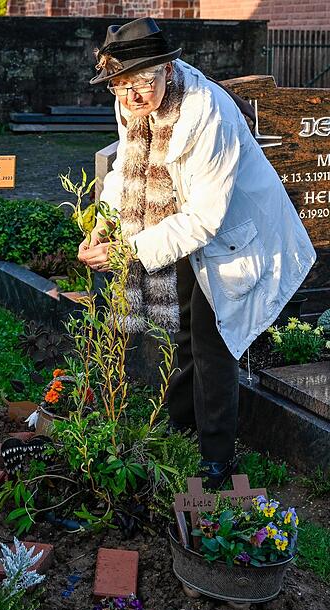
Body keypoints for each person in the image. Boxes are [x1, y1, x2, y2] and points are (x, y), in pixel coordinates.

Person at [78, 17, 316, 488]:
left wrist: (128, 251)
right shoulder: (132, 103)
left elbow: (206, 219)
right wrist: (103, 223)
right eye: (121, 86)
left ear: (167, 68)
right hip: (175, 228)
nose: (133, 97)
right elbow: (127, 168)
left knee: (212, 342)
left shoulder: (208, 112)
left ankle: (216, 458)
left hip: (231, 238)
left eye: (143, 81)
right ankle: (181, 429)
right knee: (186, 333)